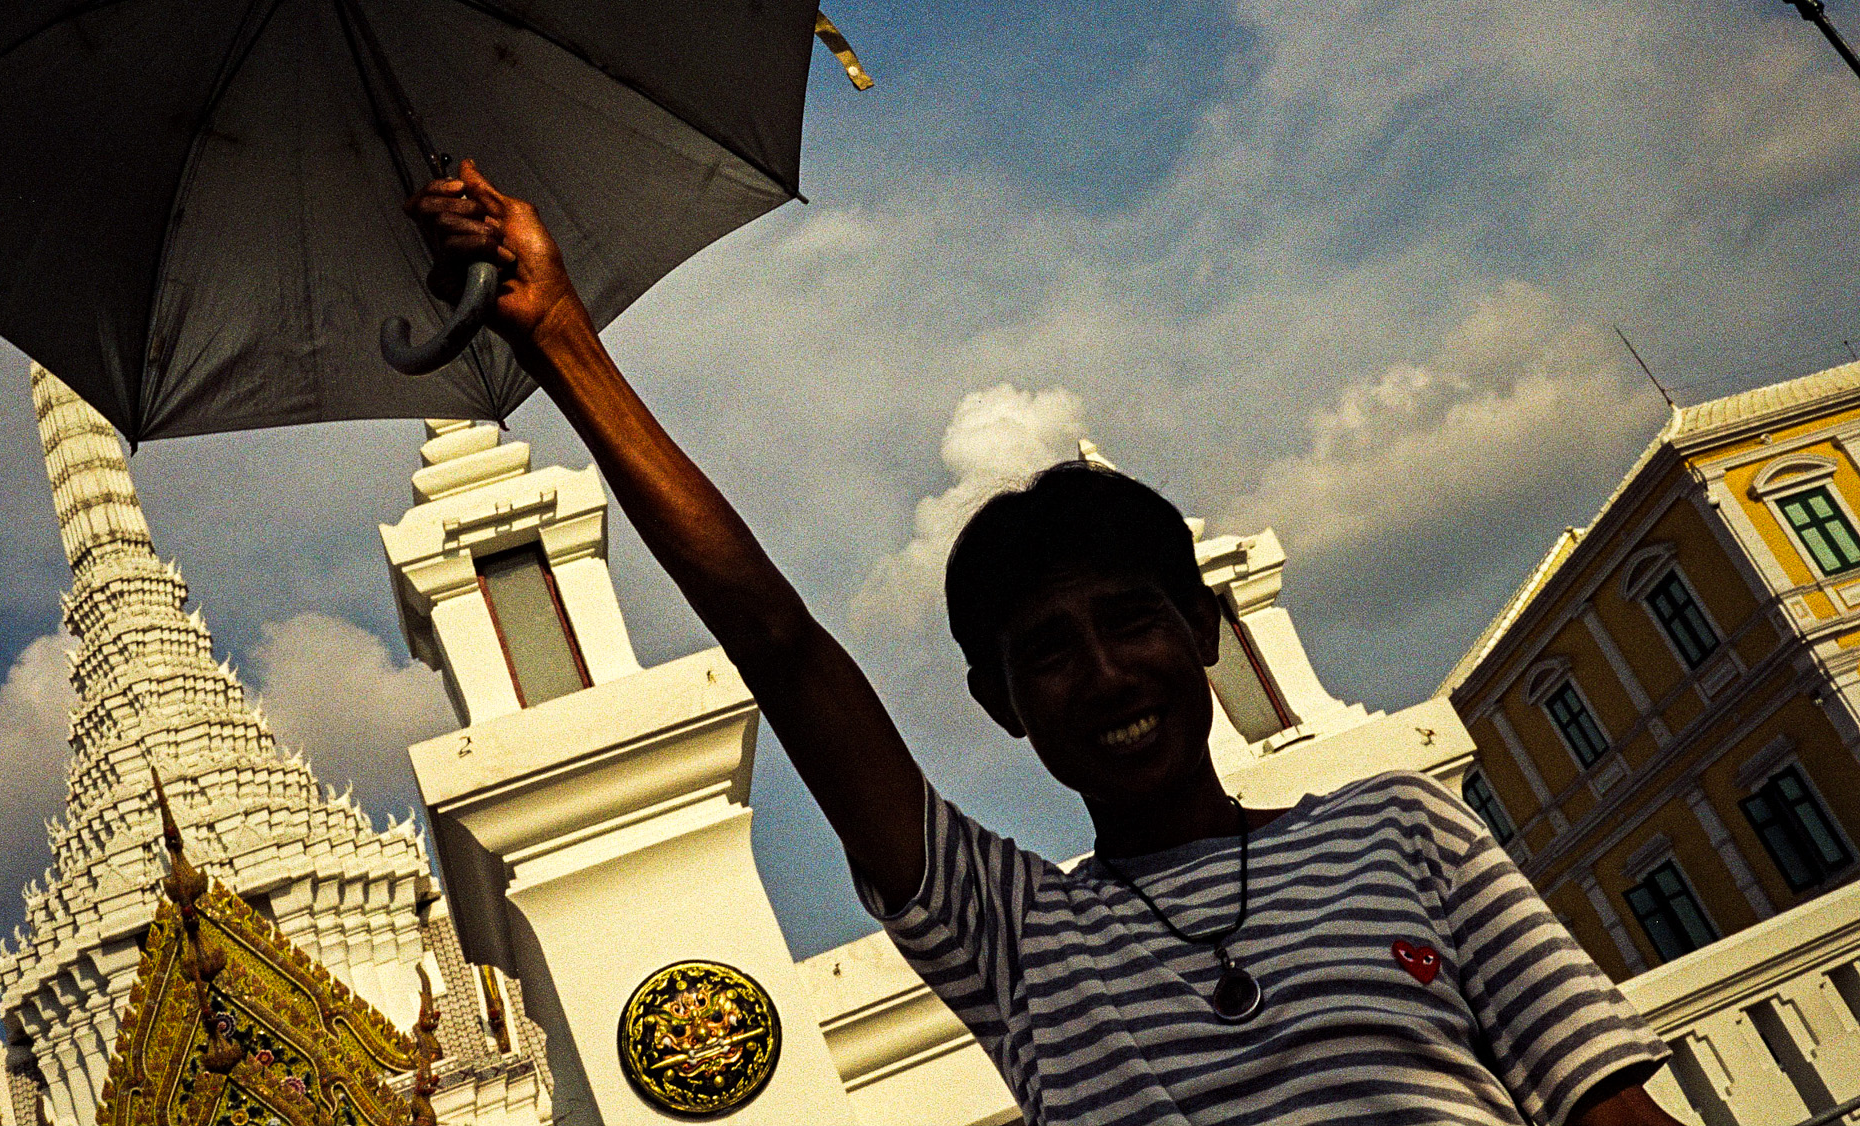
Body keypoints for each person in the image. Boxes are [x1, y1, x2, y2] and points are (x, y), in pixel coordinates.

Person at [405, 162, 1684, 1126]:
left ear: (1200, 630)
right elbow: (783, 649)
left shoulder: (1406, 831)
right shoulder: (1015, 935)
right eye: (1049, 653)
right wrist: (562, 340)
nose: (1104, 674)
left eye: (1129, 621)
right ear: (1003, 704)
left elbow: (1607, 1108)